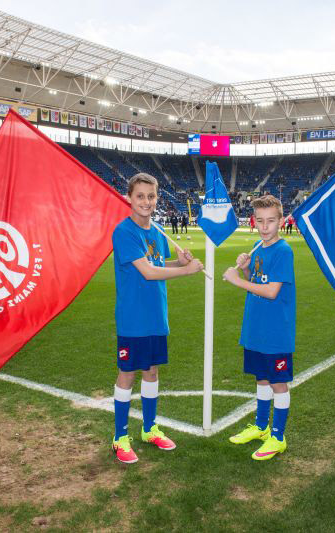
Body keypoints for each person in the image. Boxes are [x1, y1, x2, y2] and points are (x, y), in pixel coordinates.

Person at [111, 173, 203, 464]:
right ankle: (120, 437)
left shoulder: (158, 230)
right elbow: (148, 272)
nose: (146, 202)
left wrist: (182, 262)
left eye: (151, 196)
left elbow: (162, 264)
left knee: (151, 372)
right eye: (140, 196)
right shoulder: (124, 232)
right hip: (133, 318)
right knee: (128, 373)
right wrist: (186, 272)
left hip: (156, 316)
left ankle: (149, 430)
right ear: (129, 198)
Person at [222, 194, 295, 461]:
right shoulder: (257, 246)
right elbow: (256, 281)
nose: (265, 227)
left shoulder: (283, 251)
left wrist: (235, 281)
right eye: (260, 221)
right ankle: (261, 427)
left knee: (278, 383)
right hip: (256, 328)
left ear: (281, 221)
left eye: (271, 221)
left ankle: (278, 437)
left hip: (276, 331)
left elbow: (272, 291)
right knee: (261, 378)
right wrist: (243, 269)